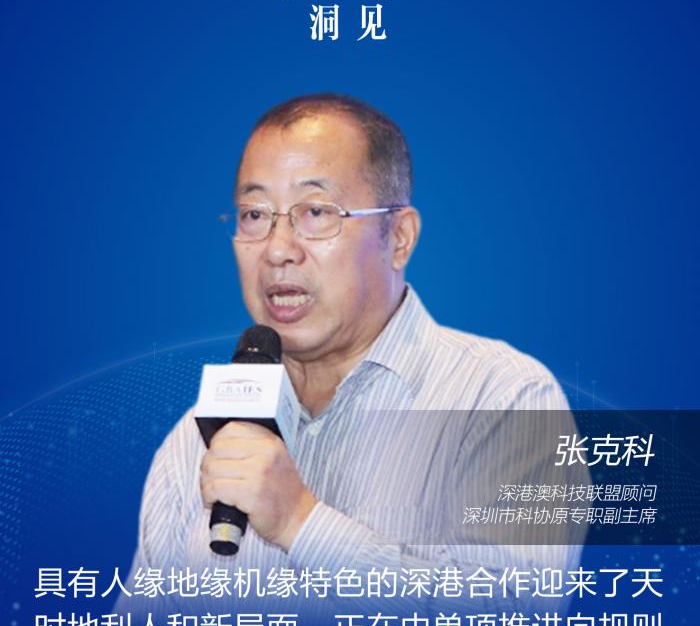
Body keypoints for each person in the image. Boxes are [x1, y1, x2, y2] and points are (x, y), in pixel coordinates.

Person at [124, 94, 580, 600]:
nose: (277, 250)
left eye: (316, 212)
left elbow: (515, 623)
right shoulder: (195, 440)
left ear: (399, 237)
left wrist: (301, 523)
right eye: (254, 214)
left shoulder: (504, 398)